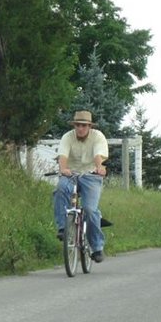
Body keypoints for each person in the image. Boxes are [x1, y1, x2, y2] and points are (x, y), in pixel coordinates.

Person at [54, 110, 109, 263]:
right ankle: (62, 228)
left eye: (84, 125)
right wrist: (63, 169)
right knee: (60, 189)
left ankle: (97, 247)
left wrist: (100, 168)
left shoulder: (97, 136)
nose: (80, 128)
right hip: (70, 174)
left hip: (91, 175)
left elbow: (98, 155)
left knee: (90, 210)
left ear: (89, 126)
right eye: (77, 125)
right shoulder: (68, 137)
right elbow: (63, 156)